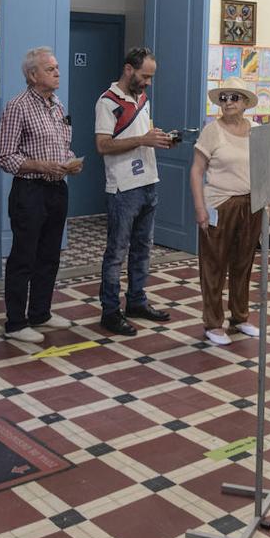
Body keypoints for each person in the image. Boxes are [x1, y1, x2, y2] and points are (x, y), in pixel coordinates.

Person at [0, 47, 82, 345]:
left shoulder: (57, 105)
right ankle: (16, 322)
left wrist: (70, 162)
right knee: (24, 257)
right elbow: (5, 156)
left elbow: (62, 146)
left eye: (57, 68)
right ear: (32, 75)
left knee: (49, 255)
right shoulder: (17, 106)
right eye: (50, 69)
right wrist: (40, 165)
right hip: (30, 190)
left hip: (57, 189)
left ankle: (41, 313)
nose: (57, 72)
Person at [95, 47, 173, 336]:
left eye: (151, 77)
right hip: (123, 187)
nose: (148, 82)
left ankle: (137, 301)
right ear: (129, 69)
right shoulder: (107, 102)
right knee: (117, 252)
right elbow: (102, 145)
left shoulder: (142, 98)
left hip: (148, 180)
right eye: (145, 76)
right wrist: (143, 139)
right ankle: (110, 311)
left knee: (143, 249)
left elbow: (141, 136)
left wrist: (157, 138)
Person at [190, 77, 263, 346]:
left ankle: (240, 316)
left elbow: (264, 171)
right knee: (214, 265)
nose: (228, 102)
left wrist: (266, 205)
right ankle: (212, 322)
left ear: (245, 102)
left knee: (243, 263)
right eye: (224, 98)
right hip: (219, 203)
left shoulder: (257, 130)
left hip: (250, 204)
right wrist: (200, 207)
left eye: (234, 98)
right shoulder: (213, 130)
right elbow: (197, 170)